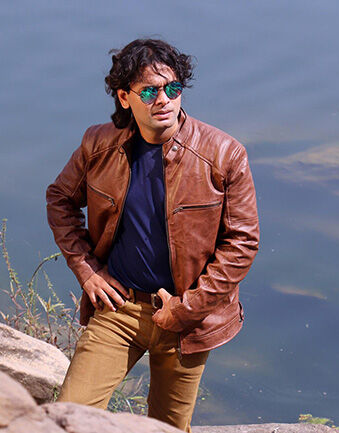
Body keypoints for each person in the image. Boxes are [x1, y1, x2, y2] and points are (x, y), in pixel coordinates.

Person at [45, 38, 259, 432]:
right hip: (118, 308)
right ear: (125, 98)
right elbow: (60, 199)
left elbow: (242, 243)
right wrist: (87, 270)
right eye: (149, 91)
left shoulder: (224, 155)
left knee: (168, 428)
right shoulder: (98, 144)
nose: (163, 100)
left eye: (172, 88)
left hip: (186, 319)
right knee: (66, 419)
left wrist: (186, 309)